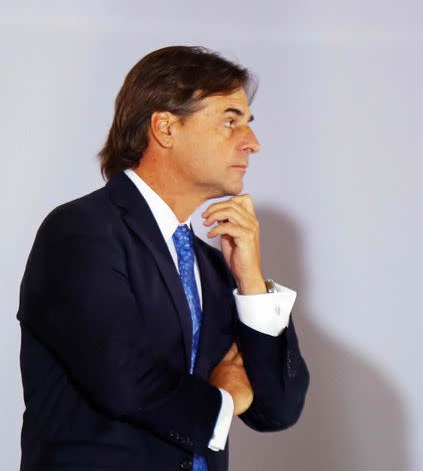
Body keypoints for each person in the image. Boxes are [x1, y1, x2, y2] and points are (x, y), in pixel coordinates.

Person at [18, 46, 309, 471]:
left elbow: (277, 408)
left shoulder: (212, 267)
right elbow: (123, 382)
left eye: (247, 124)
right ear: (166, 128)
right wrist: (223, 400)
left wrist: (250, 280)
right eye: (230, 121)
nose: (252, 143)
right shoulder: (81, 232)